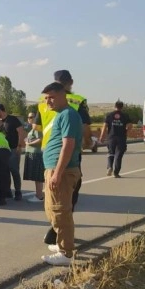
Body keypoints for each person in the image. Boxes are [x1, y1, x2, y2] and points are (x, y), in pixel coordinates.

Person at [34, 69, 91, 245]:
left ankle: (61, 240)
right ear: (70, 82)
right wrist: (87, 143)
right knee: (65, 200)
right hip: (64, 156)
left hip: (51, 154)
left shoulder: (42, 102)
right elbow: (86, 128)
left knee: (57, 201)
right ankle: (61, 236)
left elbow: (36, 126)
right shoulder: (77, 101)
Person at [40, 82, 83, 266]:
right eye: (46, 98)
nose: (48, 101)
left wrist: (57, 173)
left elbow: (68, 145)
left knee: (60, 211)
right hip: (54, 170)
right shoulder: (61, 115)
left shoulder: (68, 115)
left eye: (51, 97)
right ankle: (61, 243)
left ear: (62, 95)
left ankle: (66, 253)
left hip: (62, 172)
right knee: (52, 210)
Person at [0, 103, 25, 200]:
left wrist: (19, 146)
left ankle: (18, 192)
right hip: (2, 151)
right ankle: (7, 191)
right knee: (4, 172)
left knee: (14, 171)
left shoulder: (13, 120)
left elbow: (21, 132)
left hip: (13, 149)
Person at [99, 100, 133, 178]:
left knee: (111, 152)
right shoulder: (125, 115)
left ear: (115, 106)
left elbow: (104, 126)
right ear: (122, 107)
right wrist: (126, 130)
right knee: (119, 155)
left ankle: (109, 166)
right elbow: (130, 126)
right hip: (121, 137)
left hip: (111, 137)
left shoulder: (109, 115)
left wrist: (101, 137)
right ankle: (116, 173)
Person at [23, 113, 45, 202]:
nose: (29, 118)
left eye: (31, 117)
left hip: (36, 154)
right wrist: (26, 140)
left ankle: (39, 196)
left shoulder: (37, 128)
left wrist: (29, 143)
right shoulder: (32, 128)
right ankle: (38, 194)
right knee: (36, 176)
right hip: (32, 153)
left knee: (38, 176)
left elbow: (41, 139)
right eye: (28, 117)